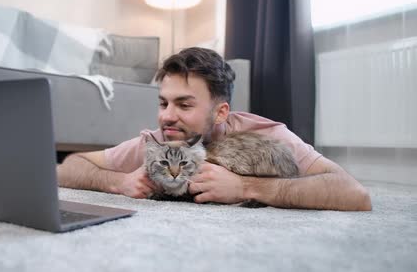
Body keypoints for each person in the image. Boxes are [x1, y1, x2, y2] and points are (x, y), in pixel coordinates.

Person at [57, 47, 372, 211]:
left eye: (184, 104)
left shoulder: (266, 135)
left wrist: (247, 187)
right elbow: (68, 169)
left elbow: (355, 194)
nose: (167, 117)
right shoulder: (162, 142)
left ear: (221, 112)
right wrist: (120, 182)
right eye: (163, 103)